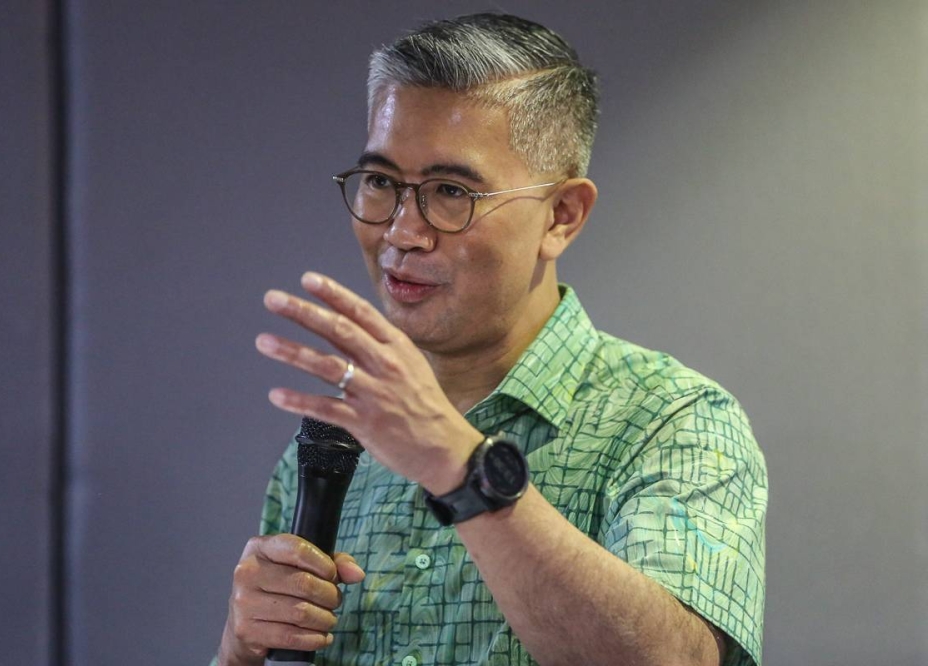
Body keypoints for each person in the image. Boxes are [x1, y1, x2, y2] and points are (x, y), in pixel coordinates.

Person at [216, 12, 767, 666]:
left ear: (561, 216)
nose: (402, 232)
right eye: (382, 183)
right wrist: (240, 647)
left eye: (450, 192)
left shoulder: (674, 423)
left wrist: (461, 468)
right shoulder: (338, 440)